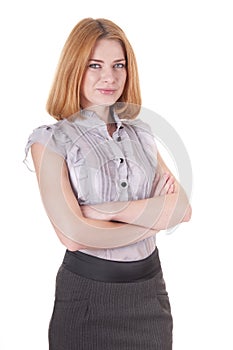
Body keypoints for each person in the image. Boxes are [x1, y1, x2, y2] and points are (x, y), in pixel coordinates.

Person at [25, 17, 192, 350]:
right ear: (75, 69)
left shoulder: (141, 133)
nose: (110, 77)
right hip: (87, 298)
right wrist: (152, 219)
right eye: (95, 65)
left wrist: (105, 211)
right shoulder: (50, 141)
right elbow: (72, 235)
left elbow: (183, 210)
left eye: (119, 65)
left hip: (150, 294)